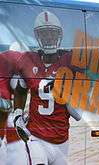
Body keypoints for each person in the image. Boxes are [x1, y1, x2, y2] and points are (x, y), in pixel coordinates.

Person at [13, 11, 82, 165]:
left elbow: (78, 114)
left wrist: (62, 92)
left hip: (61, 140)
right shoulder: (28, 60)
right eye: (44, 33)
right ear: (37, 36)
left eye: (52, 33)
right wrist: (17, 114)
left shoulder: (71, 62)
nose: (48, 37)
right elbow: (20, 90)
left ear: (60, 36)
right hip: (36, 137)